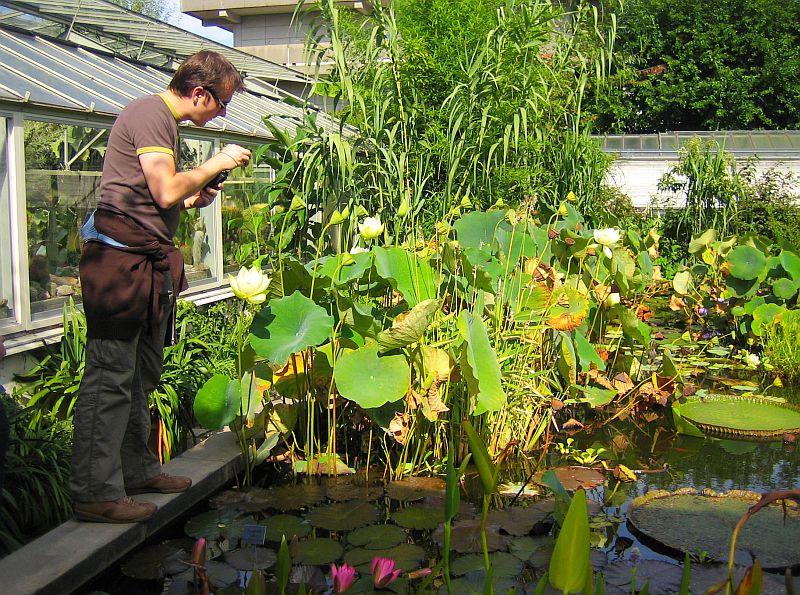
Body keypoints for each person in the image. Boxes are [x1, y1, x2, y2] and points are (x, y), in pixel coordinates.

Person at [70, 51, 252, 523]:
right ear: (199, 93)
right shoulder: (151, 113)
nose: (222, 113)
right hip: (119, 267)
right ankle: (94, 492)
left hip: (143, 265)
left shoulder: (161, 122)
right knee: (110, 377)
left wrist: (193, 199)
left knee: (139, 375)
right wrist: (217, 163)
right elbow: (164, 189)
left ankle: (134, 472)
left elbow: (160, 197)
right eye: (222, 104)